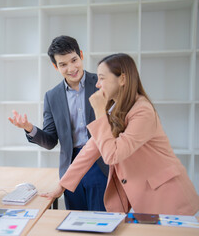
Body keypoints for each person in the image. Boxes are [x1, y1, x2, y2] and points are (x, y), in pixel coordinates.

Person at [41, 53, 199, 215]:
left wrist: (99, 111)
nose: (97, 85)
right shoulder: (116, 109)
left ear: (122, 79)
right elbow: (91, 148)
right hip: (143, 197)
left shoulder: (142, 110)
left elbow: (112, 155)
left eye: (102, 78)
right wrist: (62, 185)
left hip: (168, 198)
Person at [8, 35, 109, 211]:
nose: (71, 68)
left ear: (81, 56)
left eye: (74, 60)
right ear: (55, 66)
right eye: (63, 64)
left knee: (102, 221)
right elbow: (50, 141)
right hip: (70, 167)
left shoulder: (102, 84)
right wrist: (29, 128)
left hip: (100, 164)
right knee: (75, 223)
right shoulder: (52, 96)